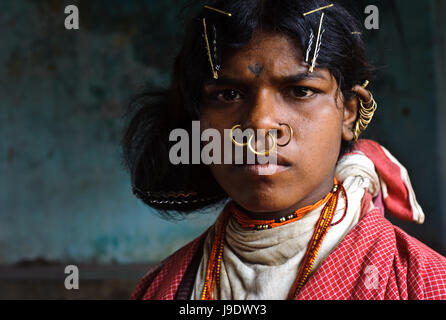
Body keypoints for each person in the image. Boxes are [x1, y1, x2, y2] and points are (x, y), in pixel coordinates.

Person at [123, 0, 446, 300]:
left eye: (301, 91)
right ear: (199, 120)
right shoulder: (162, 288)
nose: (260, 123)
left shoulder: (425, 283)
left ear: (348, 112)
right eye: (228, 95)